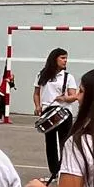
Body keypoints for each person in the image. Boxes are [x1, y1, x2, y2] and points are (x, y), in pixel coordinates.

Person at [32, 48, 81, 179]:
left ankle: (66, 170)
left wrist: (64, 98)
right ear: (55, 59)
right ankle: (54, 171)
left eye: (66, 58)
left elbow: (74, 96)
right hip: (48, 111)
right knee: (51, 143)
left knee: (65, 142)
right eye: (62, 58)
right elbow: (36, 93)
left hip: (64, 112)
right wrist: (37, 106)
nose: (65, 60)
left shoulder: (68, 77)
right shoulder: (41, 75)